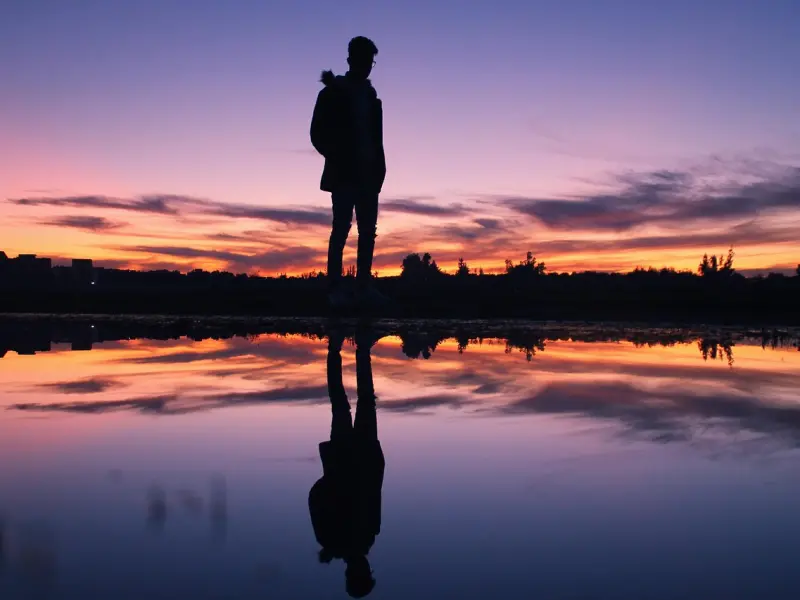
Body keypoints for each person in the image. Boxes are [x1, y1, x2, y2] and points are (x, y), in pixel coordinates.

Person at [310, 36, 388, 309]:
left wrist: (380, 168)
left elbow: (376, 140)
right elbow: (316, 133)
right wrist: (338, 156)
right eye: (363, 60)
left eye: (371, 61)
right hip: (344, 175)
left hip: (369, 175)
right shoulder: (332, 93)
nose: (367, 66)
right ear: (351, 60)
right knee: (341, 229)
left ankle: (363, 286)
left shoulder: (371, 98)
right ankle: (336, 288)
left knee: (368, 231)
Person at [309, 329, 385, 598]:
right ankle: (347, 348)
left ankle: (349, 348)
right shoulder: (340, 541)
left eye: (366, 572)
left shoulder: (348, 540)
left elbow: (317, 497)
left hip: (353, 453)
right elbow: (373, 491)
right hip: (358, 452)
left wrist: (331, 476)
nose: (368, 568)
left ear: (359, 573)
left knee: (351, 403)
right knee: (345, 403)